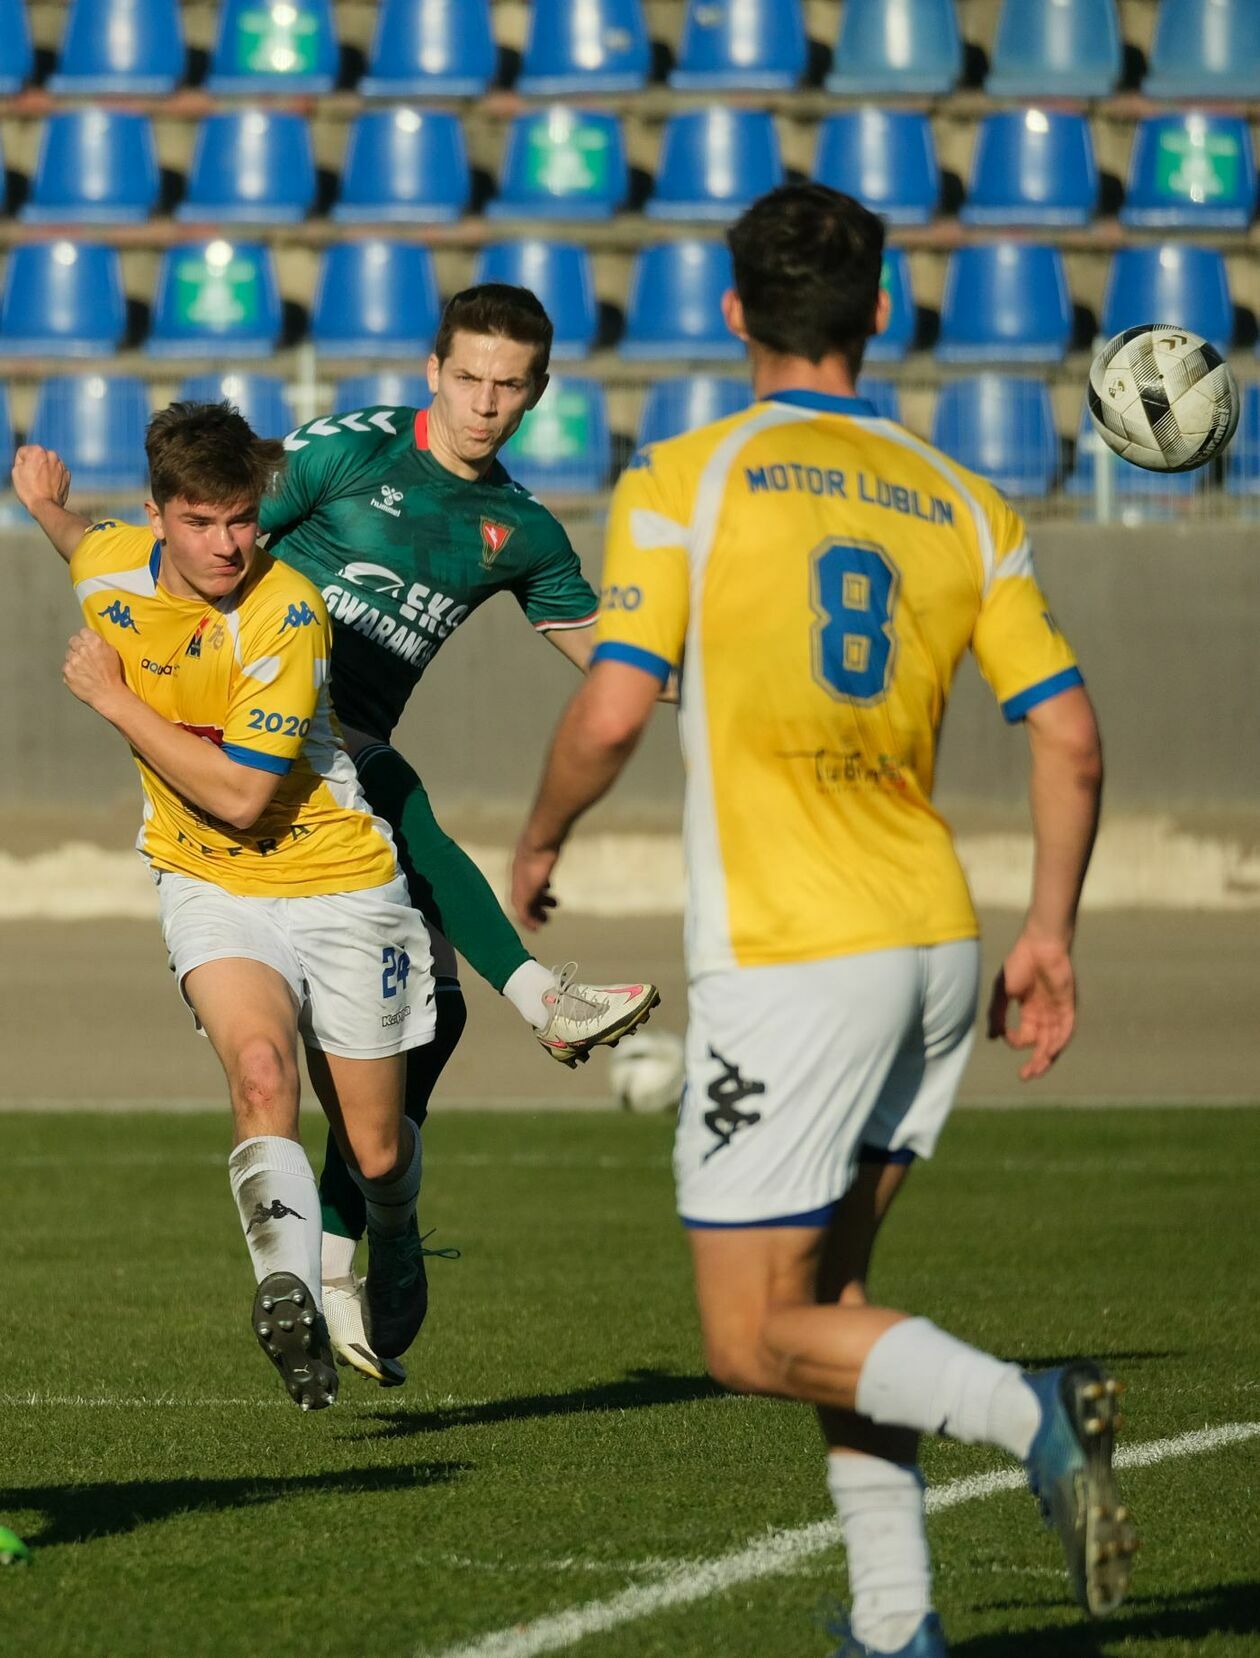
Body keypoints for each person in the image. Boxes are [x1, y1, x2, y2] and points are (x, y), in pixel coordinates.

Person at [510, 184, 1136, 1656]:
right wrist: (1050, 931)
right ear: (884, 313)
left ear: (733, 314)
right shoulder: (969, 501)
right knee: (836, 1298)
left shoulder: (687, 475)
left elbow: (610, 703)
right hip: (937, 936)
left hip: (797, 954)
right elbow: (1073, 739)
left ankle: (1033, 1414)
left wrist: (539, 834)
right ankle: (895, 1617)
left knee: (748, 1338)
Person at [257, 281, 658, 1382]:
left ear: (537, 395)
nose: (484, 402)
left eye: (508, 385)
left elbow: (617, 664)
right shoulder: (348, 450)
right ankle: (542, 997)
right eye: (468, 376)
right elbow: (220, 540)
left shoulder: (519, 530)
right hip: (261, 734)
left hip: (343, 783)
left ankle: (362, 1238)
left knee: (425, 1010)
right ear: (433, 368)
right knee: (390, 780)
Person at [13, 402, 437, 1413]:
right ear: (157, 515)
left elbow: (245, 797)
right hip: (210, 881)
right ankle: (287, 1292)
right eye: (200, 521)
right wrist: (45, 503)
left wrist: (117, 701)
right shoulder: (111, 561)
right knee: (259, 1071)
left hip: (338, 882)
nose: (227, 544)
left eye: (243, 518)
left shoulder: (285, 612)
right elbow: (82, 540)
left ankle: (397, 1222)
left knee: (376, 1148)